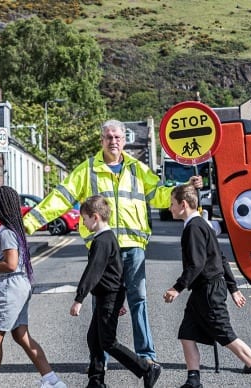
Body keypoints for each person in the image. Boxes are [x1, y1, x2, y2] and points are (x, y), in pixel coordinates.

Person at [24, 119, 203, 364]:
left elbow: (161, 196)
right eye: (109, 137)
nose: (113, 141)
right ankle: (102, 356)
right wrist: (29, 222)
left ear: (124, 140)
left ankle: (146, 356)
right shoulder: (87, 170)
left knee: (138, 300)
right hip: (103, 249)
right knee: (102, 304)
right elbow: (61, 197)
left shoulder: (138, 169)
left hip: (133, 246)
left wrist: (186, 187)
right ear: (102, 141)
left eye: (118, 137)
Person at [162, 184, 251, 388]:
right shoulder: (202, 225)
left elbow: (197, 264)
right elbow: (221, 257)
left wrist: (177, 288)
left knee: (226, 335)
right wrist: (233, 288)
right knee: (186, 334)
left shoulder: (194, 228)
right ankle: (193, 380)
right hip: (203, 290)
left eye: (172, 204)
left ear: (183, 204)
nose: (169, 208)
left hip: (209, 290)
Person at [0, 186, 66, 388]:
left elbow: (11, 264)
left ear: (0, 206)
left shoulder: (6, 233)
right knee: (21, 335)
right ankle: (52, 380)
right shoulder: (12, 230)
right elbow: (10, 263)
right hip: (18, 285)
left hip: (9, 288)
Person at [70, 195, 162, 388]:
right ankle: (96, 382)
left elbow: (93, 271)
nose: (83, 223)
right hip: (110, 295)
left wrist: (79, 298)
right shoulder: (108, 237)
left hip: (108, 296)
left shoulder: (102, 241)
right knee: (94, 339)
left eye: (84, 218)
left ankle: (146, 368)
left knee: (108, 342)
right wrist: (119, 298)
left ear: (95, 217)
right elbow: (117, 269)